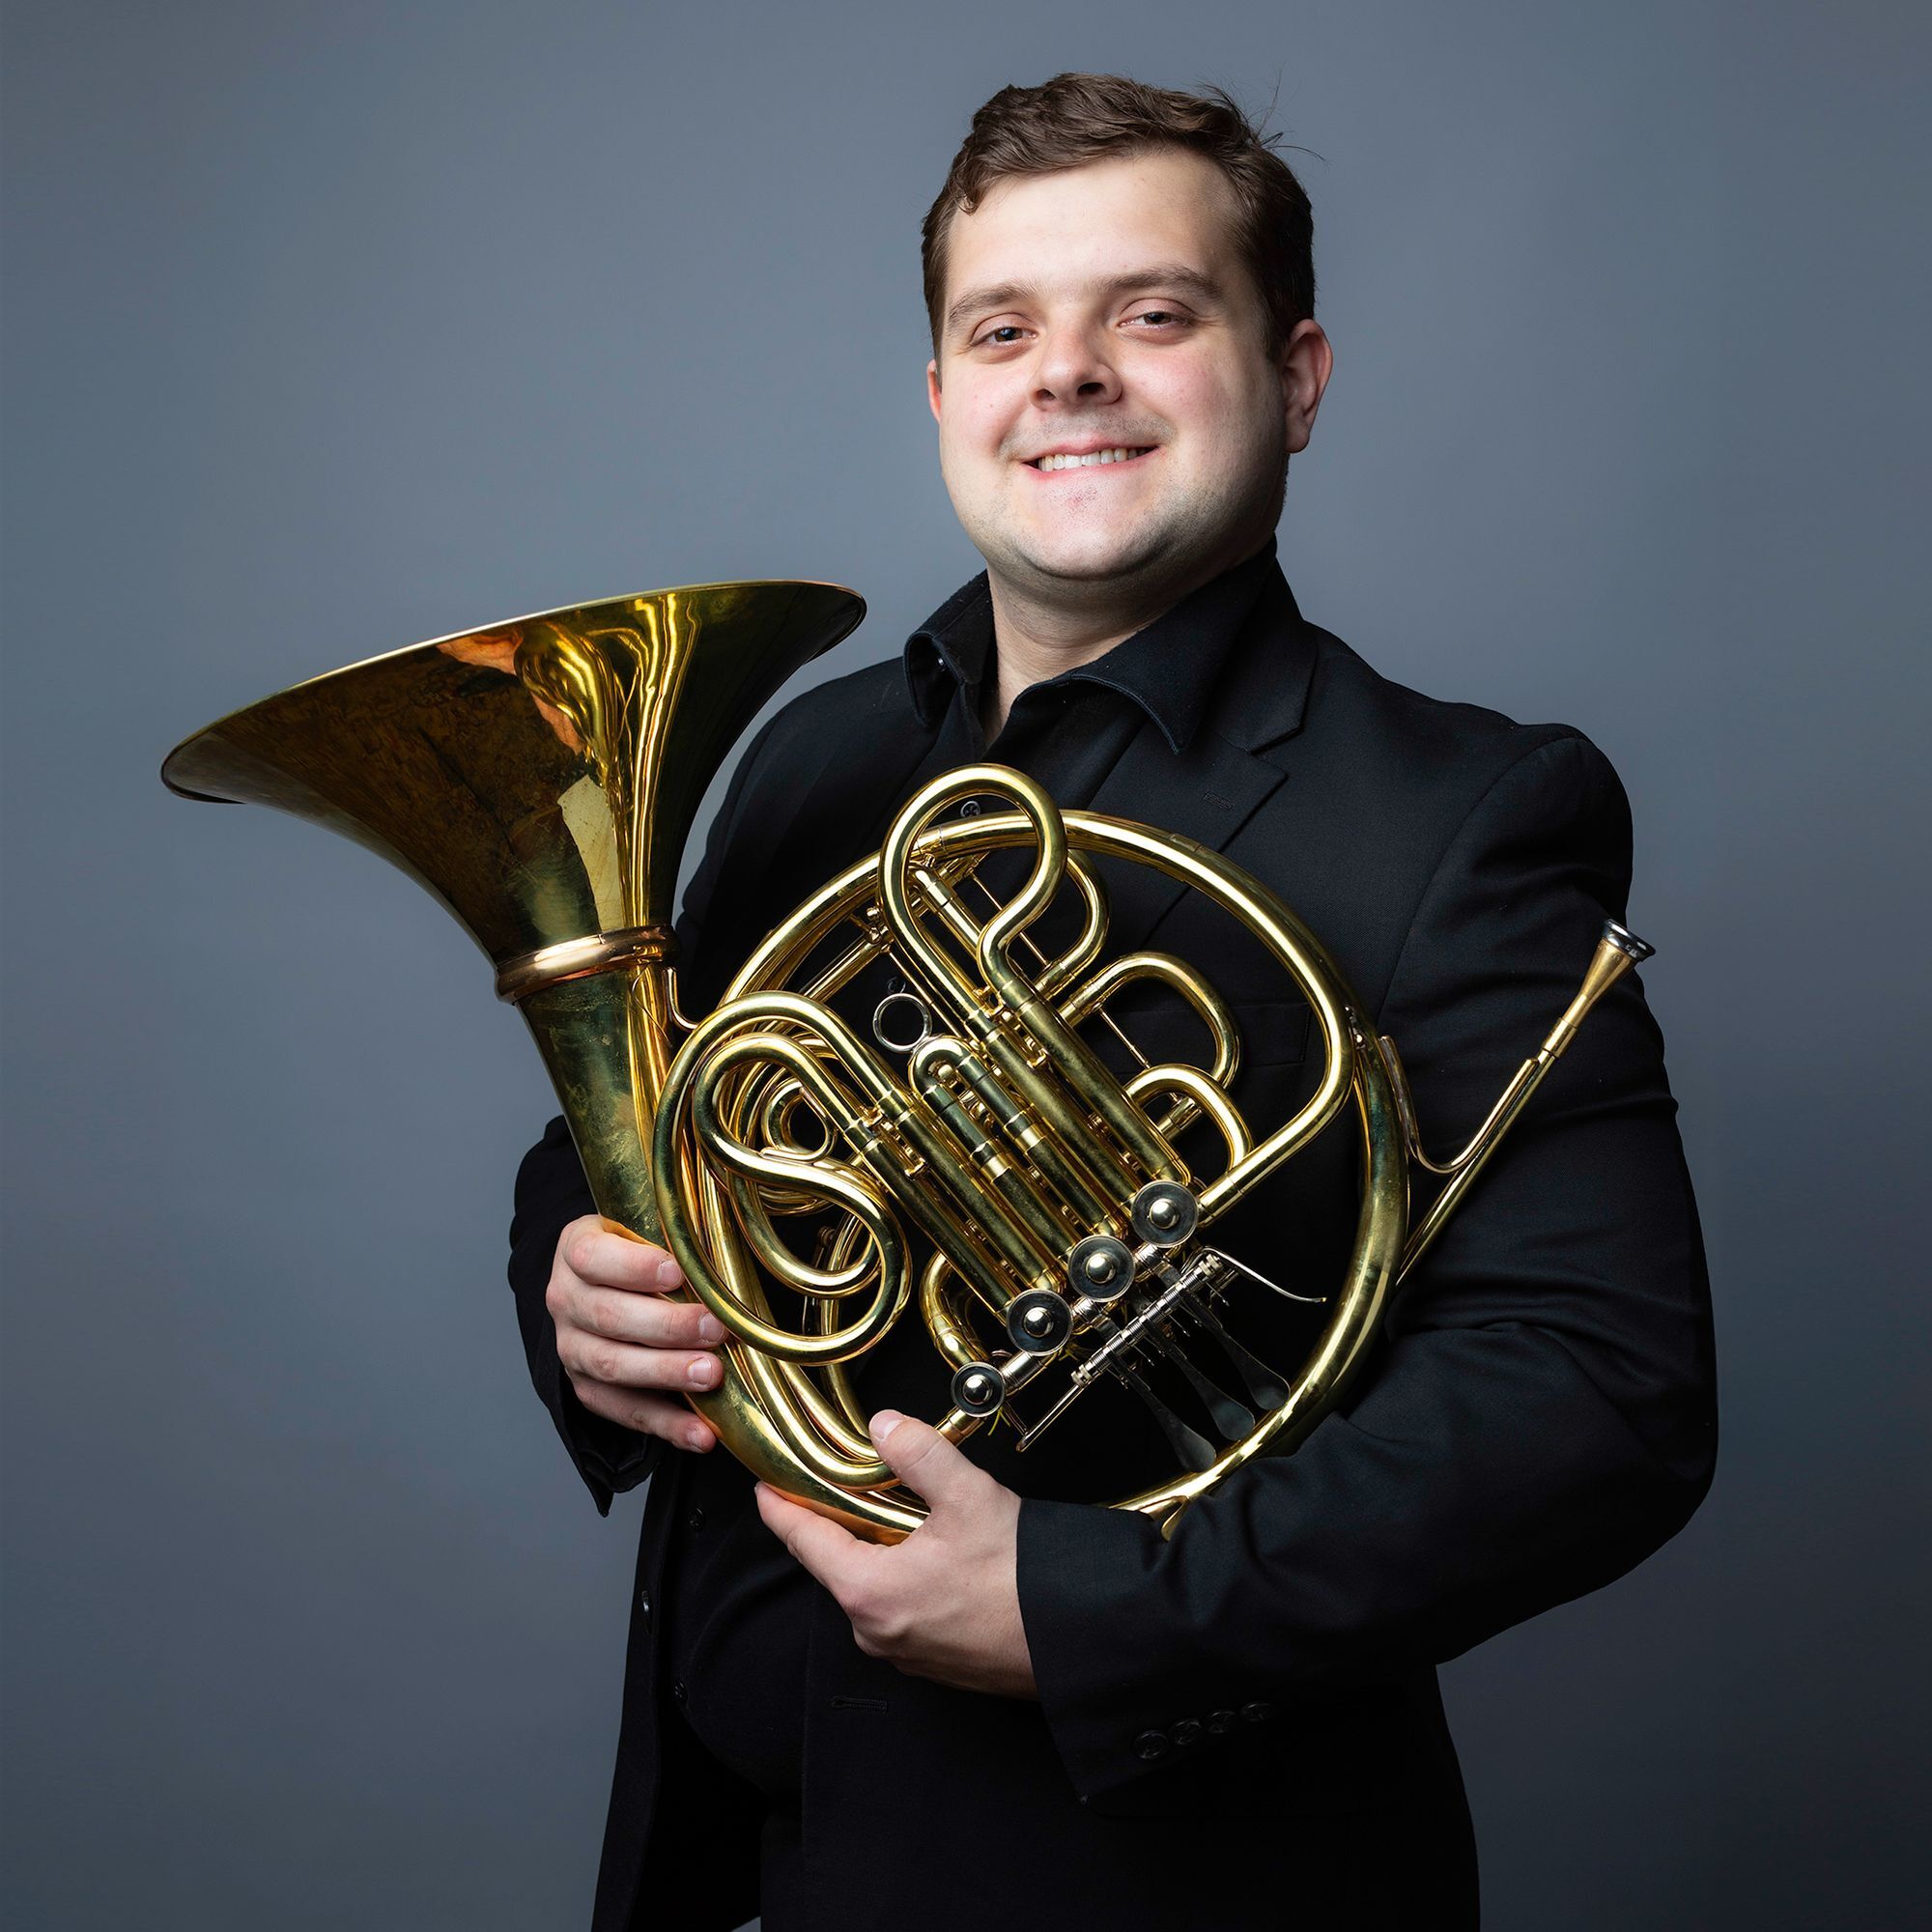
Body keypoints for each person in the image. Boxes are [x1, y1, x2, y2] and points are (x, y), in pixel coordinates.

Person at [507, 72, 1716, 1932]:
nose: (1067, 374)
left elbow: (1601, 1393)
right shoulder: (816, 758)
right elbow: (660, 1135)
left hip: (1166, 1881)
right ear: (943, 397)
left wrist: (1085, 1609)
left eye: (1151, 314)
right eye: (1004, 330)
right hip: (748, 1864)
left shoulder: (1460, 812)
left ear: (1295, 379)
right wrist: (584, 1288)